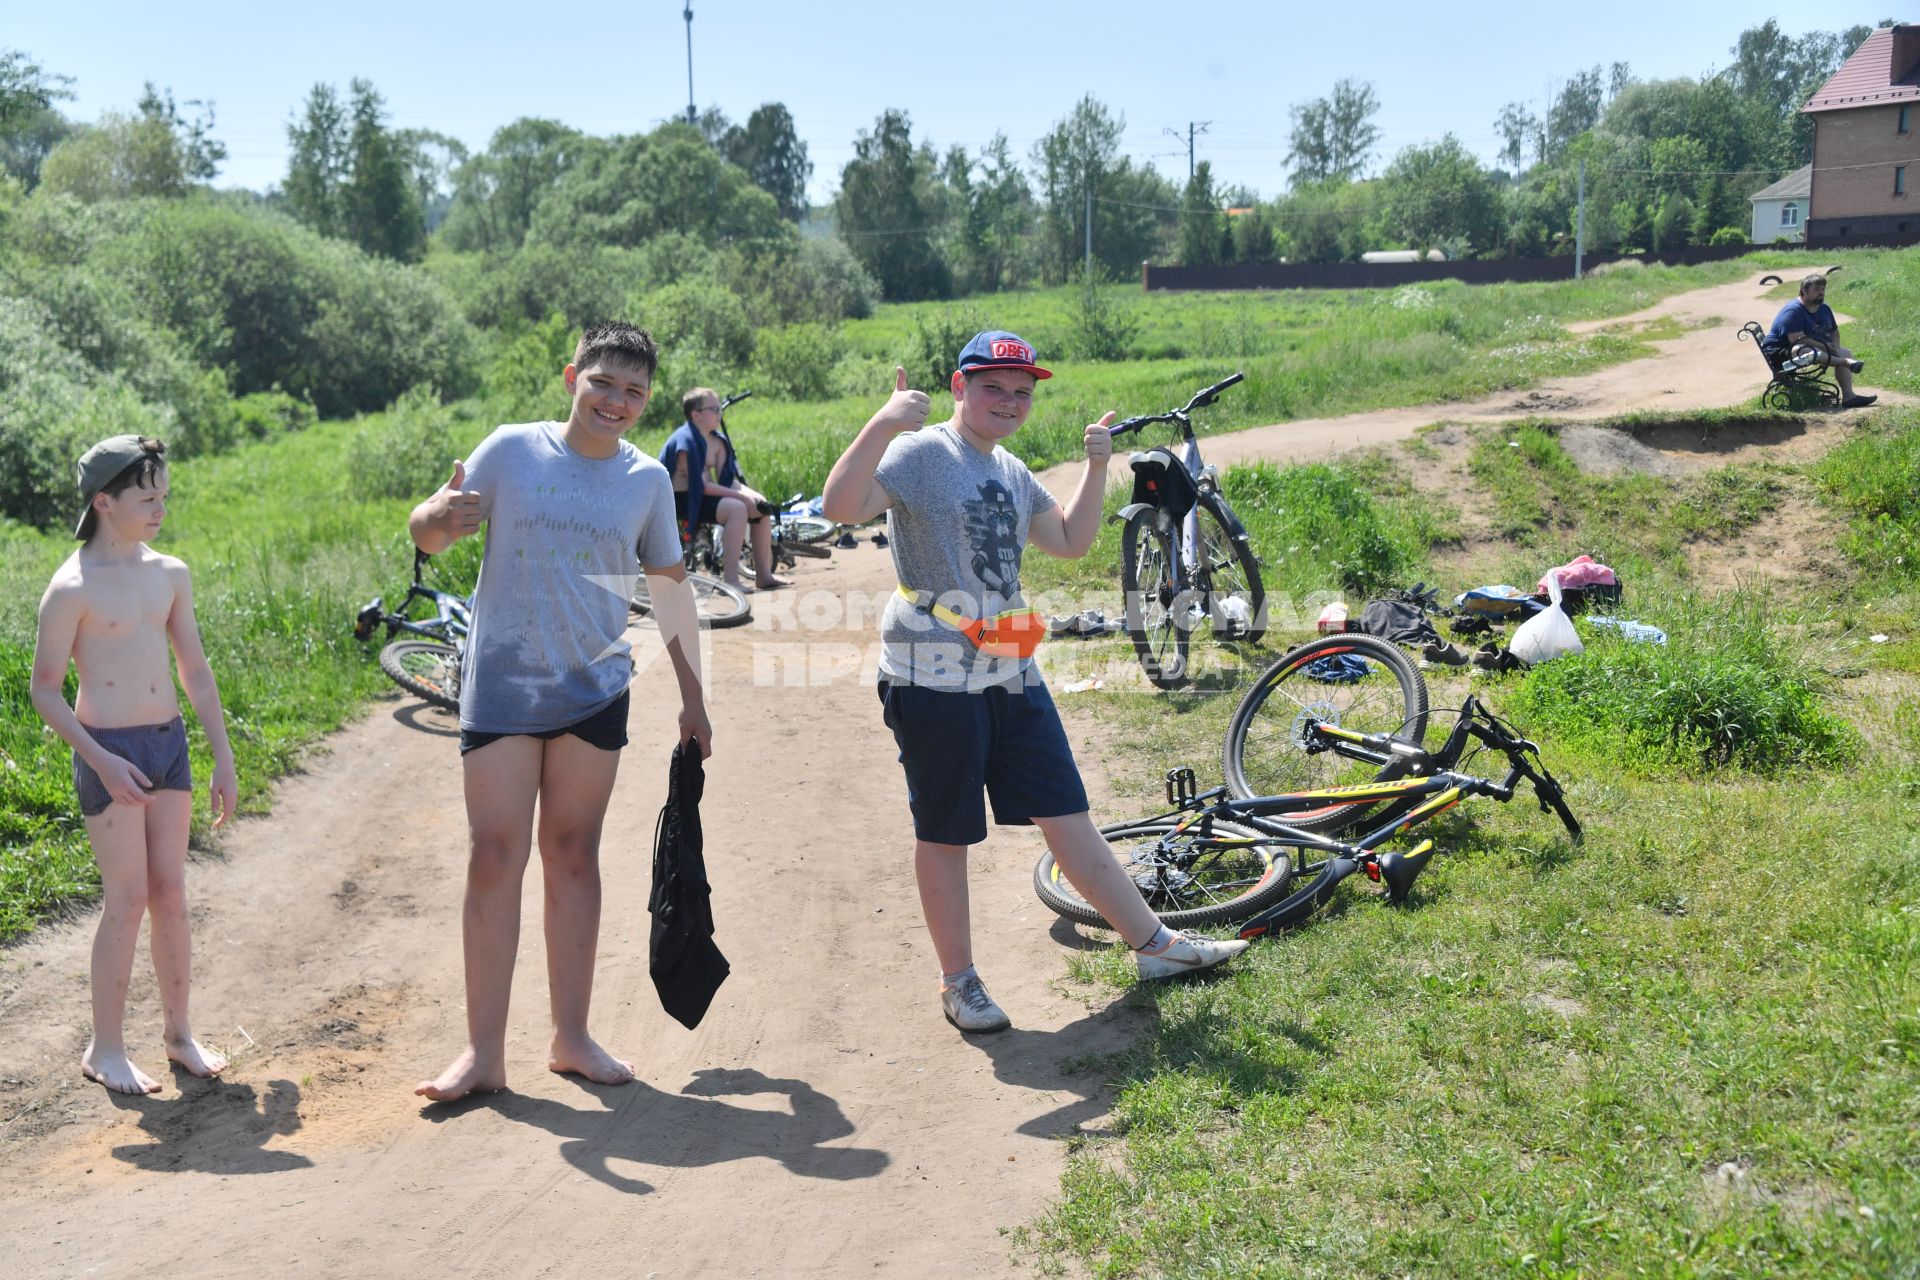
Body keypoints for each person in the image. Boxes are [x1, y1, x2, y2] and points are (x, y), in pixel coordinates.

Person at [822, 332, 1247, 1035]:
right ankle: (959, 983)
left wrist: (1095, 465)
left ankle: (1155, 946)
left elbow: (1070, 540)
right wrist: (885, 420)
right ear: (960, 388)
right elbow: (841, 506)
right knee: (946, 831)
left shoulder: (1011, 469)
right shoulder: (923, 450)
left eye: (1022, 393)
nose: (1010, 402)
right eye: (994, 387)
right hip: (932, 673)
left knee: (1064, 810)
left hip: (1009, 663)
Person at [407, 321, 713, 1102]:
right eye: (603, 383)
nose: (616, 401)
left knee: (574, 855)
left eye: (634, 392)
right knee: (493, 856)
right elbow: (428, 532)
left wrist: (693, 697)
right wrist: (441, 517)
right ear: (572, 375)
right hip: (504, 688)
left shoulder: (645, 481)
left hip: (594, 690)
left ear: (647, 401)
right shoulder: (511, 449)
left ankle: (570, 1038)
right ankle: (483, 1055)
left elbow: (671, 588)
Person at [30, 435, 240, 1095]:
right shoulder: (71, 587)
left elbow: (195, 671)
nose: (160, 508)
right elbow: (44, 689)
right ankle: (106, 1048)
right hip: (107, 751)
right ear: (104, 501)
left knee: (170, 891)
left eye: (164, 496)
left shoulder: (169, 574)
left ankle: (179, 1035)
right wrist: (99, 759)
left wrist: (222, 755)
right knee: (126, 899)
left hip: (167, 741)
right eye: (147, 498)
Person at [659, 387, 790, 593]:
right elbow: (700, 485)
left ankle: (764, 575)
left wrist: (753, 497)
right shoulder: (685, 442)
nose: (720, 413)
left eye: (719, 408)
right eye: (713, 409)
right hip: (683, 499)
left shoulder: (717, 441)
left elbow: (728, 480)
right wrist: (740, 498)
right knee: (736, 509)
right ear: (696, 415)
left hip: (704, 495)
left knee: (761, 508)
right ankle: (730, 580)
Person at [1763, 274, 1876, 408]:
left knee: (1845, 352)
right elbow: (1797, 339)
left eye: (1823, 289)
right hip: (1781, 352)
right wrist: (1825, 347)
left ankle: (1849, 397)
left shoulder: (1824, 308)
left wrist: (1834, 346)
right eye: (1816, 289)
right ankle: (1846, 363)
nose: (1821, 293)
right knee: (1805, 350)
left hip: (1807, 348)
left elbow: (1834, 331)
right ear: (1804, 291)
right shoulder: (1793, 311)